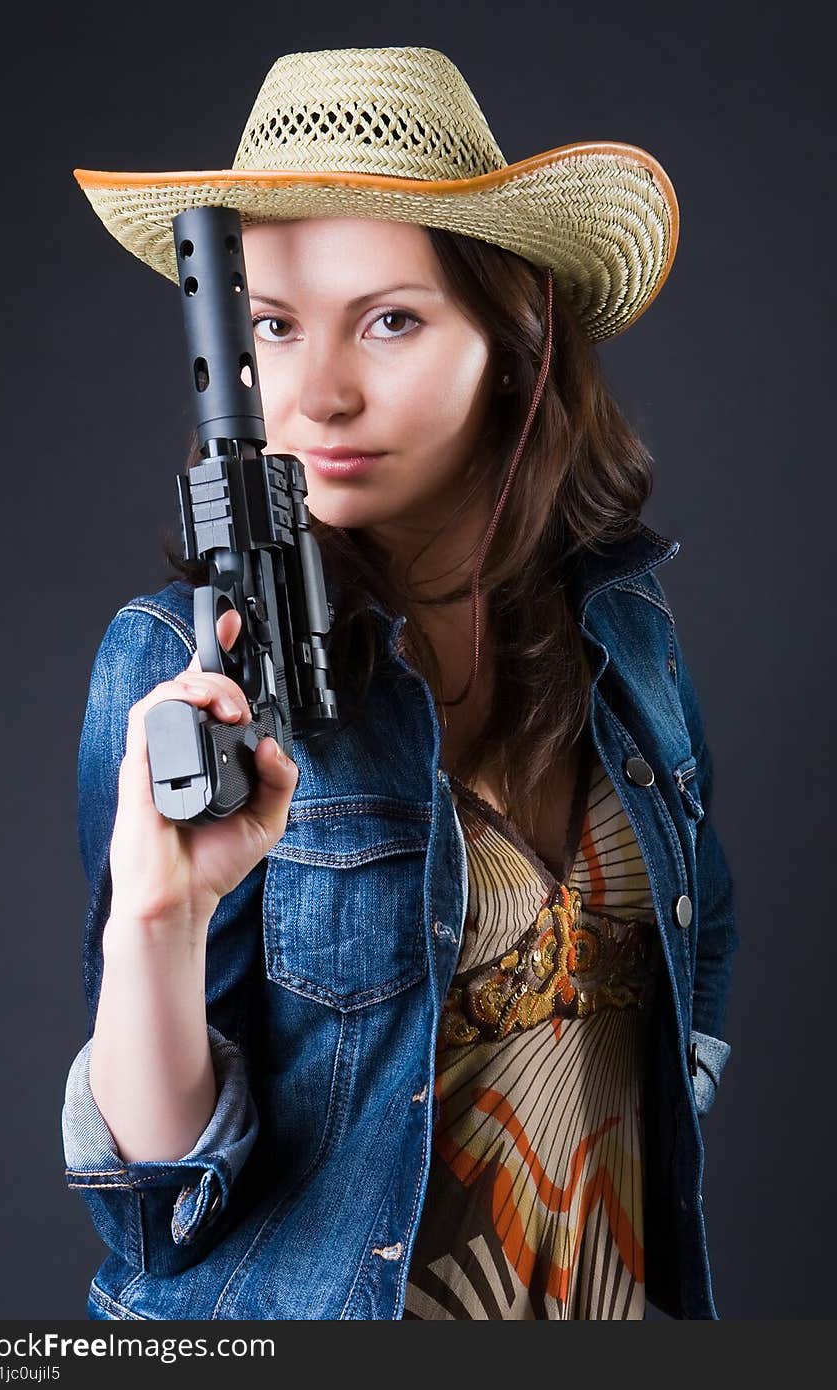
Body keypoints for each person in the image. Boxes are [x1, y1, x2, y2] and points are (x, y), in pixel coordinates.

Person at [61, 45, 738, 1321]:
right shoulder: (180, 670)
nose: (314, 393)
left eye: (389, 319)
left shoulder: (623, 625)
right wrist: (153, 923)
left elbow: (701, 939)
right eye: (269, 324)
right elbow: (155, 1203)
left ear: (514, 334)